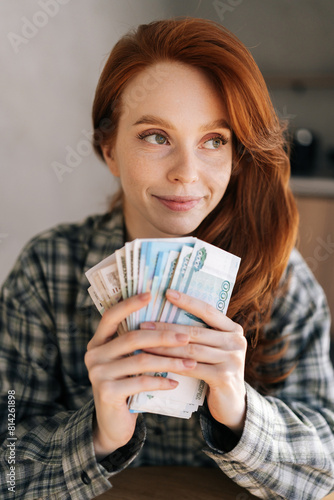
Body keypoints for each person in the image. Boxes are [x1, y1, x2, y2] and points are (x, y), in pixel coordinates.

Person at [0, 17, 333, 500]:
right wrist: (97, 436)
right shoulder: (45, 272)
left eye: (214, 140)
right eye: (156, 136)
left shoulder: (279, 279)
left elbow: (326, 464)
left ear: (237, 154)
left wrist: (240, 415)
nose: (186, 173)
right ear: (108, 149)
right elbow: (7, 463)